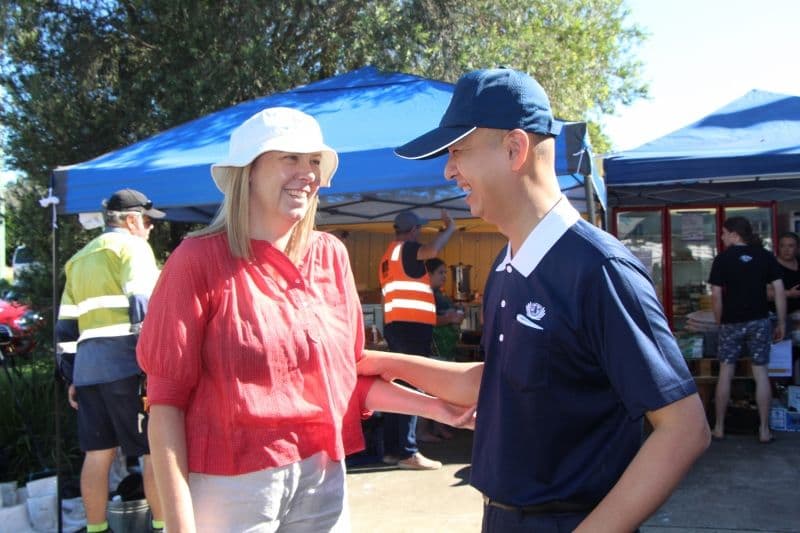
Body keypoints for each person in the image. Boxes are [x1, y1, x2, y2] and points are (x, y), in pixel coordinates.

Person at [359, 68, 710, 532]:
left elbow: (683, 429)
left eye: (457, 150)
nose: (448, 169)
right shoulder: (508, 263)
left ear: (514, 149)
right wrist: (378, 363)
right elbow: (497, 380)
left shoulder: (598, 269)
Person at [136, 107, 473, 532]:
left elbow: (347, 379)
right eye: (289, 158)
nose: (307, 172)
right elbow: (165, 404)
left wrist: (440, 408)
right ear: (250, 171)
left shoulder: (331, 255)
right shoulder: (197, 260)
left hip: (322, 477)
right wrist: (180, 525)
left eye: (314, 161)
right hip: (232, 487)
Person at [56, 188, 166, 533]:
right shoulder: (133, 247)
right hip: (128, 367)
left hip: (89, 373)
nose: (150, 228)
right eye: (148, 221)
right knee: (153, 450)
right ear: (132, 220)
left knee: (97, 454)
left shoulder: (78, 259)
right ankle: (163, 526)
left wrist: (72, 377)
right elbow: (144, 309)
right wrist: (154, 367)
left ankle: (97, 529)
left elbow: (64, 329)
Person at [378, 209, 456, 467]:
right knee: (412, 385)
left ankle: (393, 450)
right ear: (413, 231)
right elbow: (432, 251)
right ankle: (407, 452)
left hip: (396, 326)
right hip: (411, 329)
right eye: (419, 230)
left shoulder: (388, 256)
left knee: (397, 386)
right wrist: (450, 230)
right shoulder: (409, 250)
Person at [709, 216, 786, 444]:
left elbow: (715, 295)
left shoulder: (722, 259)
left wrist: (719, 321)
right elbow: (779, 290)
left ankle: (719, 428)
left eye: (723, 233)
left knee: (726, 372)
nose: (722, 237)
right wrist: (781, 322)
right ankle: (764, 430)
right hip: (760, 320)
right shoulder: (765, 256)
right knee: (761, 373)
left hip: (731, 322)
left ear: (734, 234)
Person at [425, 257, 465, 362]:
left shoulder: (439, 294)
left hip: (446, 349)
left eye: (445, 273)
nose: (444, 276)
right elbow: (428, 319)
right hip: (435, 352)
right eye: (440, 273)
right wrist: (450, 318)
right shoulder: (425, 295)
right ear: (429, 274)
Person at [768, 231, 800, 315]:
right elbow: (765, 294)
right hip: (779, 316)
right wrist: (789, 293)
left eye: (791, 246)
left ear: (797, 248)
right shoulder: (771, 265)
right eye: (782, 246)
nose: (786, 250)